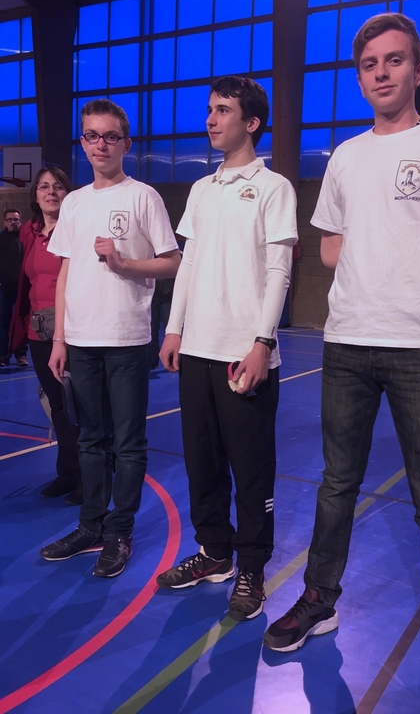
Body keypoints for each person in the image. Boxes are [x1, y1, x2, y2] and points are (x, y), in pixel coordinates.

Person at [263, 13, 420, 714]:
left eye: (395, 60)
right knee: (336, 485)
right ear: (360, 75)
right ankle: (320, 597)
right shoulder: (345, 156)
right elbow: (331, 247)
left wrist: (417, 250)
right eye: (370, 63)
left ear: (419, 69)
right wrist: (378, 250)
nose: (381, 72)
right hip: (347, 343)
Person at [156, 76, 298, 621]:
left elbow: (279, 271)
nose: (211, 119)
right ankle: (214, 552)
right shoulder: (201, 190)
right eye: (209, 109)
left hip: (245, 352)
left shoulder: (274, 187)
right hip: (197, 350)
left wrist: (262, 342)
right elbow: (189, 262)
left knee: (251, 469)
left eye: (222, 110)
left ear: (251, 122)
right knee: (202, 462)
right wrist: (174, 329)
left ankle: (252, 569)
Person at [39, 98, 181, 578]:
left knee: (128, 442)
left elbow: (172, 262)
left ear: (126, 143)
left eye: (110, 136)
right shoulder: (74, 202)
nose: (101, 144)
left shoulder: (143, 197)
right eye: (92, 135)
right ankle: (91, 526)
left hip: (126, 338)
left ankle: (120, 531)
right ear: (82, 142)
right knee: (90, 440)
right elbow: (65, 273)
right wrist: (59, 338)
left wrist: (124, 263)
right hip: (80, 340)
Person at [10, 167, 82, 504]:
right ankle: (67, 473)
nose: (50, 192)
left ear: (68, 193)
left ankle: (88, 477)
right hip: (38, 331)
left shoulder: (77, 229)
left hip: (71, 330)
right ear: (35, 195)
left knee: (78, 407)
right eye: (43, 186)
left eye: (57, 187)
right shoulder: (29, 231)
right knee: (56, 405)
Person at [0, 208, 28, 366]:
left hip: (22, 286)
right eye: (10, 220)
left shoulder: (25, 239)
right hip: (4, 287)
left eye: (16, 220)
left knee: (21, 321)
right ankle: (2, 355)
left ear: (20, 221)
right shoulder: (1, 239)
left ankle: (21, 355)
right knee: (3, 320)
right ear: (5, 222)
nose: (13, 222)